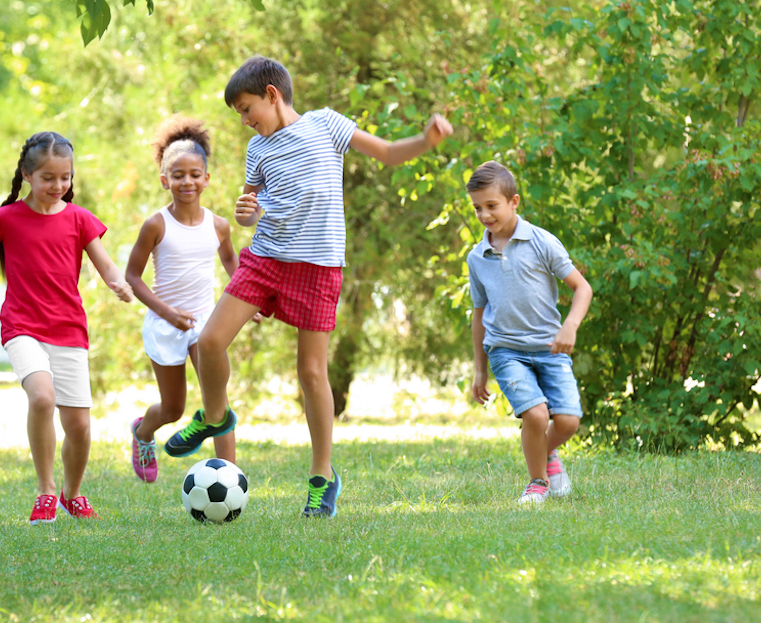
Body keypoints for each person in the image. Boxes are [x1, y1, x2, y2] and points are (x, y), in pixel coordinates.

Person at [163, 55, 453, 518]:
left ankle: (322, 478)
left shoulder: (326, 125)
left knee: (312, 373)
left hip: (318, 267)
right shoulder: (257, 150)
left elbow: (386, 152)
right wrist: (247, 215)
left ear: (272, 95)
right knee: (211, 341)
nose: (243, 121)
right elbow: (255, 206)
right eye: (238, 113)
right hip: (265, 258)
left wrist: (425, 140)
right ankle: (213, 417)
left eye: (246, 108)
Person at [0, 132, 133, 524]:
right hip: (22, 324)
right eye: (48, 178)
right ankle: (44, 491)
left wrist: (117, 282)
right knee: (42, 398)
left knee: (78, 426)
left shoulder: (79, 219)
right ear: (27, 175)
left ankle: (71, 493)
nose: (58, 186)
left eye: (65, 178)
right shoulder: (7, 218)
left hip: (68, 328)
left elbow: (104, 263)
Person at [124, 115, 247, 483]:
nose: (187, 181)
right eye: (178, 175)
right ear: (165, 180)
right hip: (165, 323)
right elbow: (133, 276)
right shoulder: (156, 225)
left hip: (206, 325)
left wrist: (246, 299)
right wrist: (166, 311)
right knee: (174, 409)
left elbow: (230, 261)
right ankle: (143, 432)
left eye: (195, 174)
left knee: (217, 402)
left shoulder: (219, 225)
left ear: (207, 178)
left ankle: (230, 477)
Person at [466, 160, 593, 504]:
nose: (484, 214)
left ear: (514, 202)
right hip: (505, 349)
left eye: (491, 206)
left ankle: (546, 454)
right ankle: (537, 482)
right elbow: (479, 314)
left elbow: (582, 288)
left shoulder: (541, 242)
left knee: (567, 421)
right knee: (536, 415)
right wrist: (480, 369)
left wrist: (570, 326)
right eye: (477, 207)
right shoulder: (477, 257)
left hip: (550, 347)